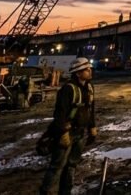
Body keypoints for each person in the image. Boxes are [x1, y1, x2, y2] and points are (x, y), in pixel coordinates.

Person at [40, 57, 97, 195]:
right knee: (56, 166)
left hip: (80, 133)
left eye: (89, 69)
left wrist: (92, 127)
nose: (90, 71)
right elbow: (59, 114)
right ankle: (45, 192)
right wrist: (63, 133)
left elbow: (90, 109)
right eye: (86, 69)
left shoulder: (89, 87)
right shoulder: (68, 89)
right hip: (67, 132)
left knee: (71, 165)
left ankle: (65, 192)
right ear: (78, 73)